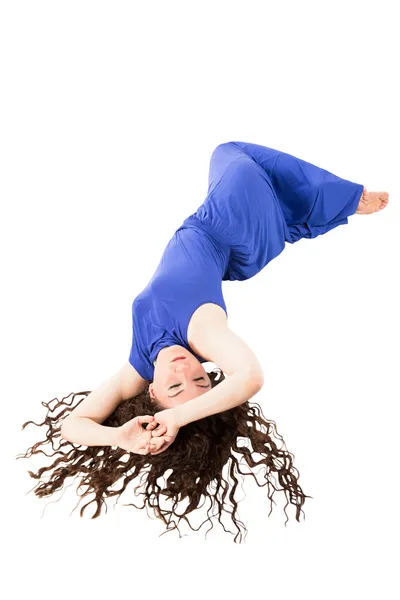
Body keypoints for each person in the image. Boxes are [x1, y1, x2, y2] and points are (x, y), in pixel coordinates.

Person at [17, 141, 389, 542]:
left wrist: (120, 437)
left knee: (252, 173)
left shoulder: (138, 365)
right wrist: (176, 417)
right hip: (232, 225)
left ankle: (318, 210)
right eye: (202, 381)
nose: (187, 369)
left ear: (153, 393)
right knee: (231, 155)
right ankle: (344, 201)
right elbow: (249, 376)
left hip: (237, 248)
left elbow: (74, 425)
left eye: (176, 386)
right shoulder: (202, 331)